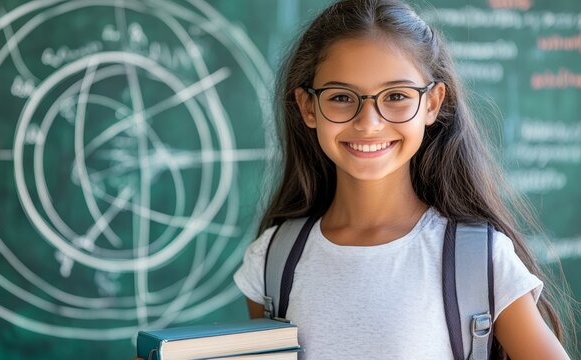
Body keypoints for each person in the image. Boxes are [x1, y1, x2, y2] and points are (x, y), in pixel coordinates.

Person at [232, 0, 574, 359]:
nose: (368, 122)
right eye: (340, 97)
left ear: (432, 103)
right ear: (307, 107)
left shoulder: (479, 260)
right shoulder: (271, 261)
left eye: (396, 96)